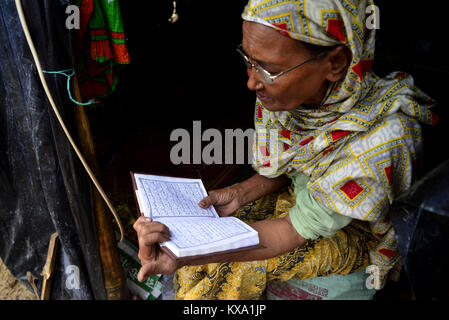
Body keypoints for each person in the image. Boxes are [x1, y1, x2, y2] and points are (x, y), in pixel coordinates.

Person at [133, 0, 437, 299]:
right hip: (304, 201)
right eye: (248, 60)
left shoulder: (380, 141)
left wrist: (191, 256)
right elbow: (289, 166)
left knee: (227, 269)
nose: (252, 81)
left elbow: (293, 228)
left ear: (336, 63)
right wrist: (239, 193)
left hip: (353, 231)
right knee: (200, 241)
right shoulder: (286, 97)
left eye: (269, 69)